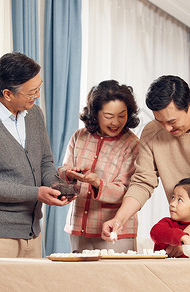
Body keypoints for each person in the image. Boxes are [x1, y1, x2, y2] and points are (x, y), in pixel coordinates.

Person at [102, 75, 190, 257]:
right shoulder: (151, 132)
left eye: (172, 122)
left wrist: (186, 237)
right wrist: (119, 219)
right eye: (159, 121)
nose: (167, 129)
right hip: (181, 237)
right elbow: (142, 182)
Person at [0, 52, 73, 261]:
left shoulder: (34, 115)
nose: (37, 96)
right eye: (31, 92)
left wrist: (56, 186)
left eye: (38, 88)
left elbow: (44, 162)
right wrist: (36, 193)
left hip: (31, 231)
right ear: (7, 94)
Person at [58, 80, 140, 252]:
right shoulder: (79, 136)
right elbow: (63, 170)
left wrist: (97, 183)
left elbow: (128, 191)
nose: (116, 122)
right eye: (109, 116)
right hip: (79, 227)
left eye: (122, 115)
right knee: (79, 279)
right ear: (95, 113)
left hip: (117, 232)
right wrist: (70, 174)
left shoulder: (132, 144)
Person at [150, 175, 190, 257]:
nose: (172, 204)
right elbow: (155, 233)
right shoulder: (167, 224)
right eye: (173, 197)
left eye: (180, 200)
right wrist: (183, 237)